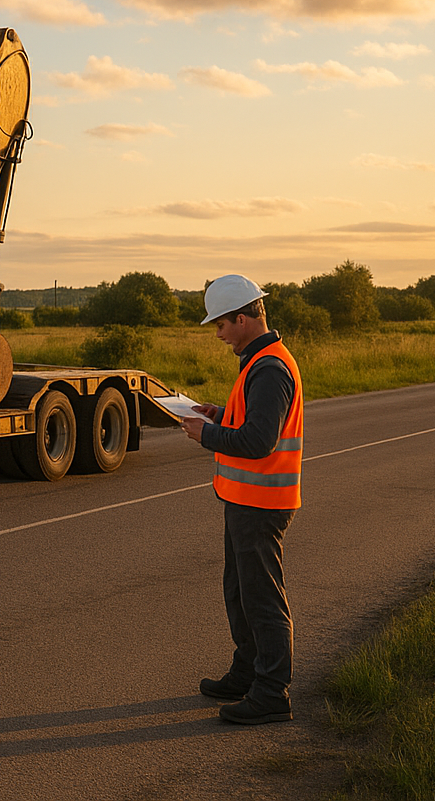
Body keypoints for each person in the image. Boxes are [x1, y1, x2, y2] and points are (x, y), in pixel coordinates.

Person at [180, 274, 303, 725]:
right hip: (246, 499)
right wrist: (220, 414)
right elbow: (250, 423)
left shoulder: (269, 367)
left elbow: (259, 441)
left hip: (262, 502)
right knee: (240, 593)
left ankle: (272, 693)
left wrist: (207, 434)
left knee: (262, 599)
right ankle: (248, 671)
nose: (217, 333)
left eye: (221, 324)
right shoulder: (259, 361)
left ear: (244, 318)